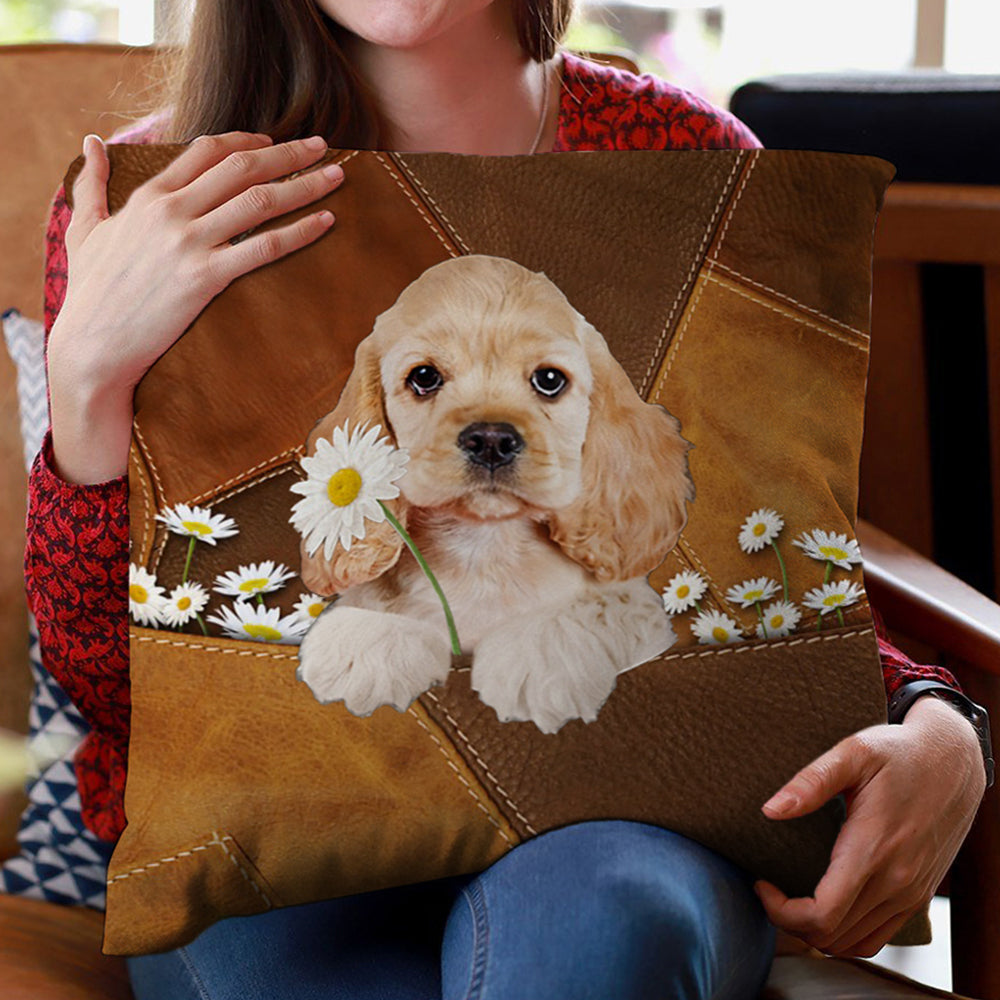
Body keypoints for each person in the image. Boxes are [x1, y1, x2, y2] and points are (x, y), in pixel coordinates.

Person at [25, 1, 988, 997]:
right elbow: (107, 682)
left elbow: (753, 561)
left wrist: (935, 714)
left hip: (618, 820)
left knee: (602, 921)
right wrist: (89, 381)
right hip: (271, 822)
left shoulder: (691, 164)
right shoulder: (156, 203)